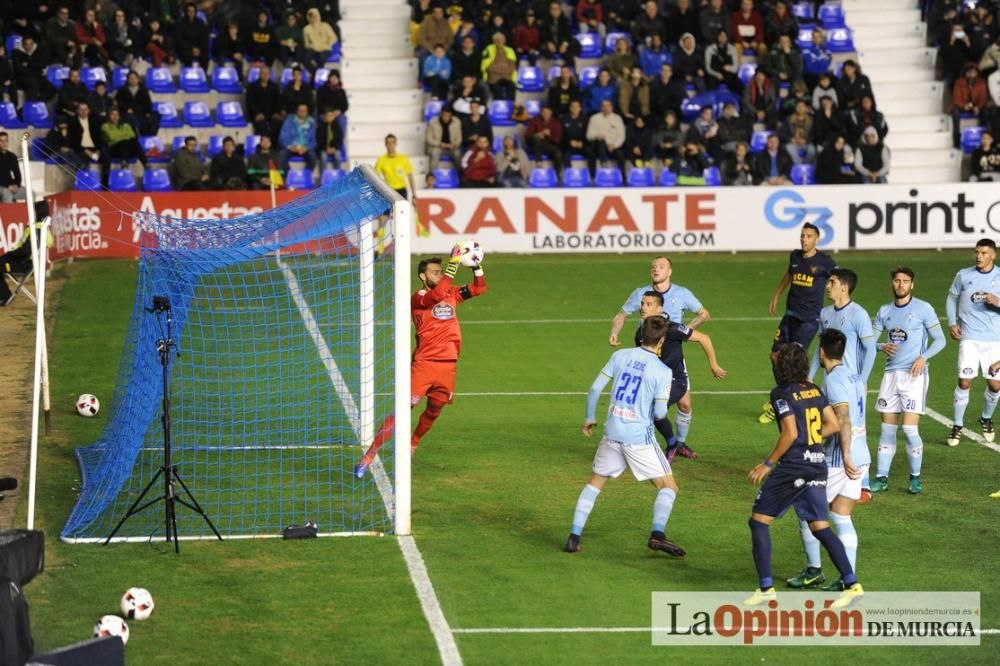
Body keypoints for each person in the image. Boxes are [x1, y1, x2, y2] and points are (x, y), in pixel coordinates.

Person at [746, 343, 864, 608]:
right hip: (817, 463)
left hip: (793, 467)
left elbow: (789, 433)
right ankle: (851, 583)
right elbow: (833, 424)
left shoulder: (781, 393)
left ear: (782, 366)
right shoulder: (814, 389)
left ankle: (766, 589)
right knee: (820, 526)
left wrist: (767, 464)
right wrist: (812, 440)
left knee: (759, 522)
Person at [354, 246, 487, 477]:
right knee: (402, 411)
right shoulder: (419, 297)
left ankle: (413, 444)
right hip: (424, 365)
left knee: (435, 410)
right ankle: (370, 454)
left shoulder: (451, 294)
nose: (439, 275)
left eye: (441, 271)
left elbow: (479, 288)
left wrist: (476, 266)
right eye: (435, 272)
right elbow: (435, 296)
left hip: (448, 366)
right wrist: (454, 265)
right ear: (423, 276)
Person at [563, 315, 686, 557]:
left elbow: (596, 388)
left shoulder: (619, 356)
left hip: (612, 432)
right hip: (639, 438)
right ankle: (657, 535)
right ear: (661, 341)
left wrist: (589, 417)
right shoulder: (662, 371)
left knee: (595, 483)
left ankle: (573, 536)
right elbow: (661, 412)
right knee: (668, 487)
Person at [784, 329, 866, 591]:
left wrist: (841, 452)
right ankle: (847, 577)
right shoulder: (854, 375)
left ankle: (814, 570)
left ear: (821, 352)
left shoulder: (832, 381)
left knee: (808, 512)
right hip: (862, 455)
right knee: (841, 516)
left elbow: (842, 419)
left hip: (838, 460)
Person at [610, 256, 711, 458]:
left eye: (661, 266)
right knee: (649, 405)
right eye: (653, 267)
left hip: (673, 357)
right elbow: (621, 314)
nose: (656, 269)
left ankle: (678, 444)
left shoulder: (681, 293)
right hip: (648, 356)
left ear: (669, 271)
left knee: (685, 404)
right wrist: (615, 332)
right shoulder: (641, 294)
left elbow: (704, 314)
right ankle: (644, 444)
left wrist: (685, 331)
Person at [870, 267, 946, 495]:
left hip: (914, 376)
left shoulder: (923, 308)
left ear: (912, 285)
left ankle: (915, 478)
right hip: (891, 375)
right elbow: (870, 342)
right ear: (892, 284)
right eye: (897, 281)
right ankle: (882, 477)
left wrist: (924, 357)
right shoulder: (884, 311)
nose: (901, 285)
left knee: (910, 429)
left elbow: (940, 340)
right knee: (887, 429)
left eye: (905, 281)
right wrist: (881, 345)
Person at [635, 290, 727, 459]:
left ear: (659, 308)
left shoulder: (672, 328)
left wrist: (713, 365)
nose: (643, 307)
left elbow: (704, 338)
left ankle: (671, 445)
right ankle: (671, 444)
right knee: (675, 407)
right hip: (655, 380)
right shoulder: (641, 333)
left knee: (656, 410)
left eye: (648, 304)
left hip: (675, 379)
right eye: (642, 303)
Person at [760, 223, 836, 423]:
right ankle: (785, 398)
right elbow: (790, 274)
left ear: (817, 239)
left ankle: (797, 404)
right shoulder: (794, 256)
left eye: (809, 236)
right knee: (775, 355)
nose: (804, 239)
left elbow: (838, 278)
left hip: (808, 320)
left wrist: (835, 296)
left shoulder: (825, 261)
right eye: (802, 236)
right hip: (790, 316)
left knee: (793, 362)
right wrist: (777, 294)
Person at [945, 238, 1000, 447]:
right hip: (969, 338)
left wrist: (998, 302)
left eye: (984, 253)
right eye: (977, 252)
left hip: (995, 340)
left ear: (993, 255)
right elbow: (951, 298)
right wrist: (952, 323)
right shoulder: (963, 275)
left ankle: (986, 418)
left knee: (995, 385)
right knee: (964, 381)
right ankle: (957, 425)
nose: (979, 256)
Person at [374, 134, 418, 201]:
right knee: (388, 211)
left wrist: (414, 193)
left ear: (396, 144)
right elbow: (376, 177)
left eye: (392, 142)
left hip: (401, 190)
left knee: (402, 211)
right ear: (385, 144)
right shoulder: (381, 160)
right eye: (388, 143)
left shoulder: (403, 159)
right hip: (388, 191)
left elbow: (410, 177)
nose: (390, 145)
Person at [278, 102, 318, 175]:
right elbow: (283, 137)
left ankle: (305, 176)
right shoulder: (289, 122)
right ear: (297, 111)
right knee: (281, 155)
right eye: (300, 110)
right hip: (292, 147)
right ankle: (290, 177)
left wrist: (306, 147)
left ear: (307, 112)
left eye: (304, 110)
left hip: (305, 148)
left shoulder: (312, 123)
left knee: (313, 157)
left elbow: (314, 140)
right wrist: (291, 146)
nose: (302, 112)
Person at [525, 104, 563, 172]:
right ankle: (539, 161)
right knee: (536, 138)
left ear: (551, 113)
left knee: (558, 153)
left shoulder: (556, 122)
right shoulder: (535, 120)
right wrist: (537, 134)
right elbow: (527, 135)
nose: (545, 114)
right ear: (541, 113)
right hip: (535, 145)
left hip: (548, 145)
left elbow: (557, 140)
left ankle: (557, 174)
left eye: (547, 113)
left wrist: (549, 135)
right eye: (543, 112)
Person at [303, 7, 338, 73]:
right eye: (311, 17)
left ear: (318, 16)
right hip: (313, 49)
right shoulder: (306, 29)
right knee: (305, 59)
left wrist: (328, 44)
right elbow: (306, 43)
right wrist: (312, 46)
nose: (313, 19)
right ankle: (316, 73)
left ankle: (318, 73)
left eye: (315, 16)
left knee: (322, 57)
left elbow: (333, 38)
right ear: (308, 18)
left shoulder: (325, 26)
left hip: (325, 49)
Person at [0, 133, 25, 203]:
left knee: (31, 193)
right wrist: (8, 186)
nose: (4, 143)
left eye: (6, 140)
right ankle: (7, 214)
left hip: (10, 186)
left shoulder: (12, 156)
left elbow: (17, 173)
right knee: (7, 194)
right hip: (3, 187)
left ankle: (30, 213)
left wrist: (16, 185)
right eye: (1, 141)